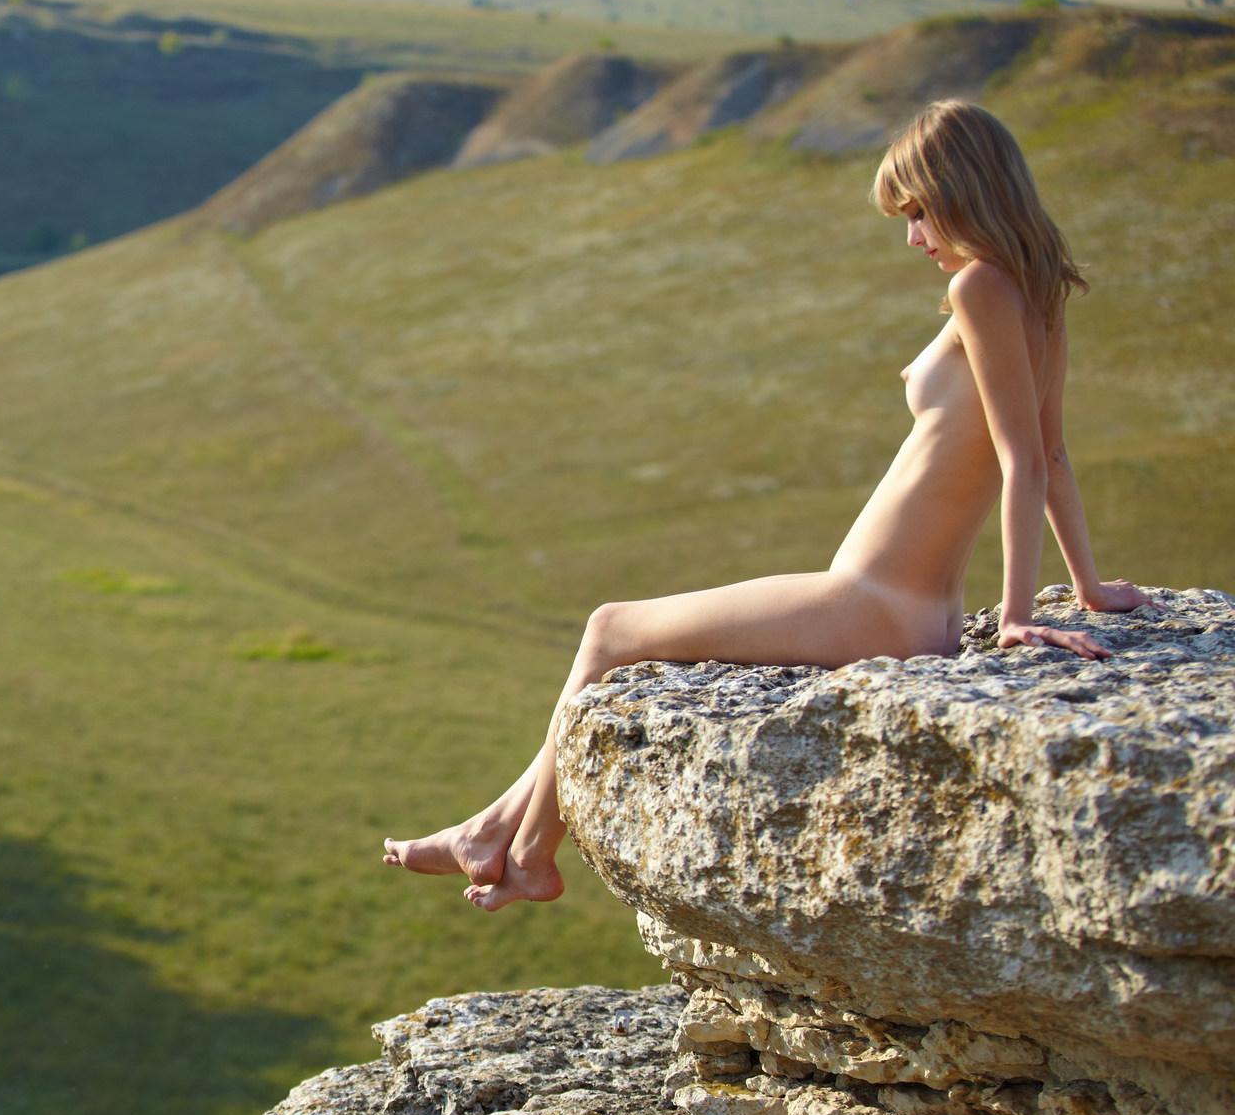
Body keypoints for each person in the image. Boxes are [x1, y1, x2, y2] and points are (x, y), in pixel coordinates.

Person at [383, 98, 1157, 912]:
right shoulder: (1037, 290)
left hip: (872, 603)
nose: (912, 237)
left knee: (608, 629)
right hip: (904, 607)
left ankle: (532, 854)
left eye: (920, 211)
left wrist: (1016, 617)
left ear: (965, 190)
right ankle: (492, 829)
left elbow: (1024, 459)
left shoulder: (981, 286)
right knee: (620, 640)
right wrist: (1088, 586)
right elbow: (1054, 454)